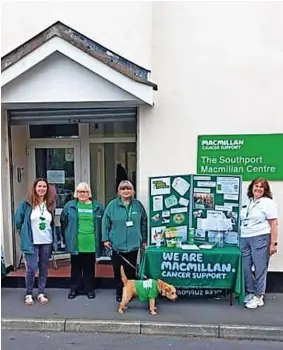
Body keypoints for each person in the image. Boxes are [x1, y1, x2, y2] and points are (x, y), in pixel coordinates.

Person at [102, 180, 148, 302]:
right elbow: (105, 223)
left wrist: (144, 239)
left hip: (133, 244)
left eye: (128, 189)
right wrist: (105, 238)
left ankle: (131, 292)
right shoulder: (112, 205)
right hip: (117, 244)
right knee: (118, 270)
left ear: (133, 191)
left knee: (131, 270)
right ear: (119, 192)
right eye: (123, 189)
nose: (126, 191)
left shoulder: (138, 205)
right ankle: (119, 292)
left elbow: (144, 222)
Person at [15, 178, 57, 305]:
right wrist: (22, 233)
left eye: (44, 186)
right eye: (39, 186)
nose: (42, 189)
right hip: (31, 241)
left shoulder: (50, 203)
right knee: (32, 268)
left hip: (46, 241)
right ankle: (28, 293)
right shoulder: (26, 204)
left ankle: (41, 292)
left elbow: (51, 222)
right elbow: (18, 220)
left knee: (44, 267)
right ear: (34, 188)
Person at [240, 177, 278, 309]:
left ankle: (258, 296)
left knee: (260, 268)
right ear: (251, 188)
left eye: (261, 187)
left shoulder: (267, 203)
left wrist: (273, 244)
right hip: (244, 238)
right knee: (246, 267)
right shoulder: (248, 202)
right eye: (256, 186)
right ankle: (250, 292)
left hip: (260, 237)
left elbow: (274, 223)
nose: (258, 189)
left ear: (265, 190)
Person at [60, 182, 103, 300]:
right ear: (76, 193)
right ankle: (74, 289)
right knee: (76, 267)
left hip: (91, 241)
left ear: (89, 193)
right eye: (79, 191)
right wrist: (67, 236)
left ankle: (89, 289)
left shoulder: (97, 206)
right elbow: (63, 221)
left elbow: (102, 224)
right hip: (76, 242)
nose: (82, 194)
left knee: (89, 267)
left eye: (84, 191)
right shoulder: (70, 206)